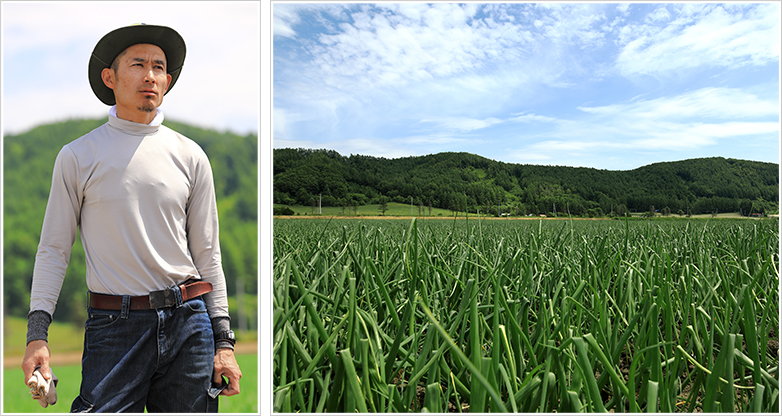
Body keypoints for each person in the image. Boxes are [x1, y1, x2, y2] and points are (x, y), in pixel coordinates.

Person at [21, 24, 242, 412]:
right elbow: (53, 250)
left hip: (189, 322)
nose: (150, 75)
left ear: (168, 81)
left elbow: (208, 256)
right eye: (138, 64)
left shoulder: (191, 155)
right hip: (113, 327)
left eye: (159, 67)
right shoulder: (78, 156)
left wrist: (223, 343)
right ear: (110, 77)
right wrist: (37, 335)